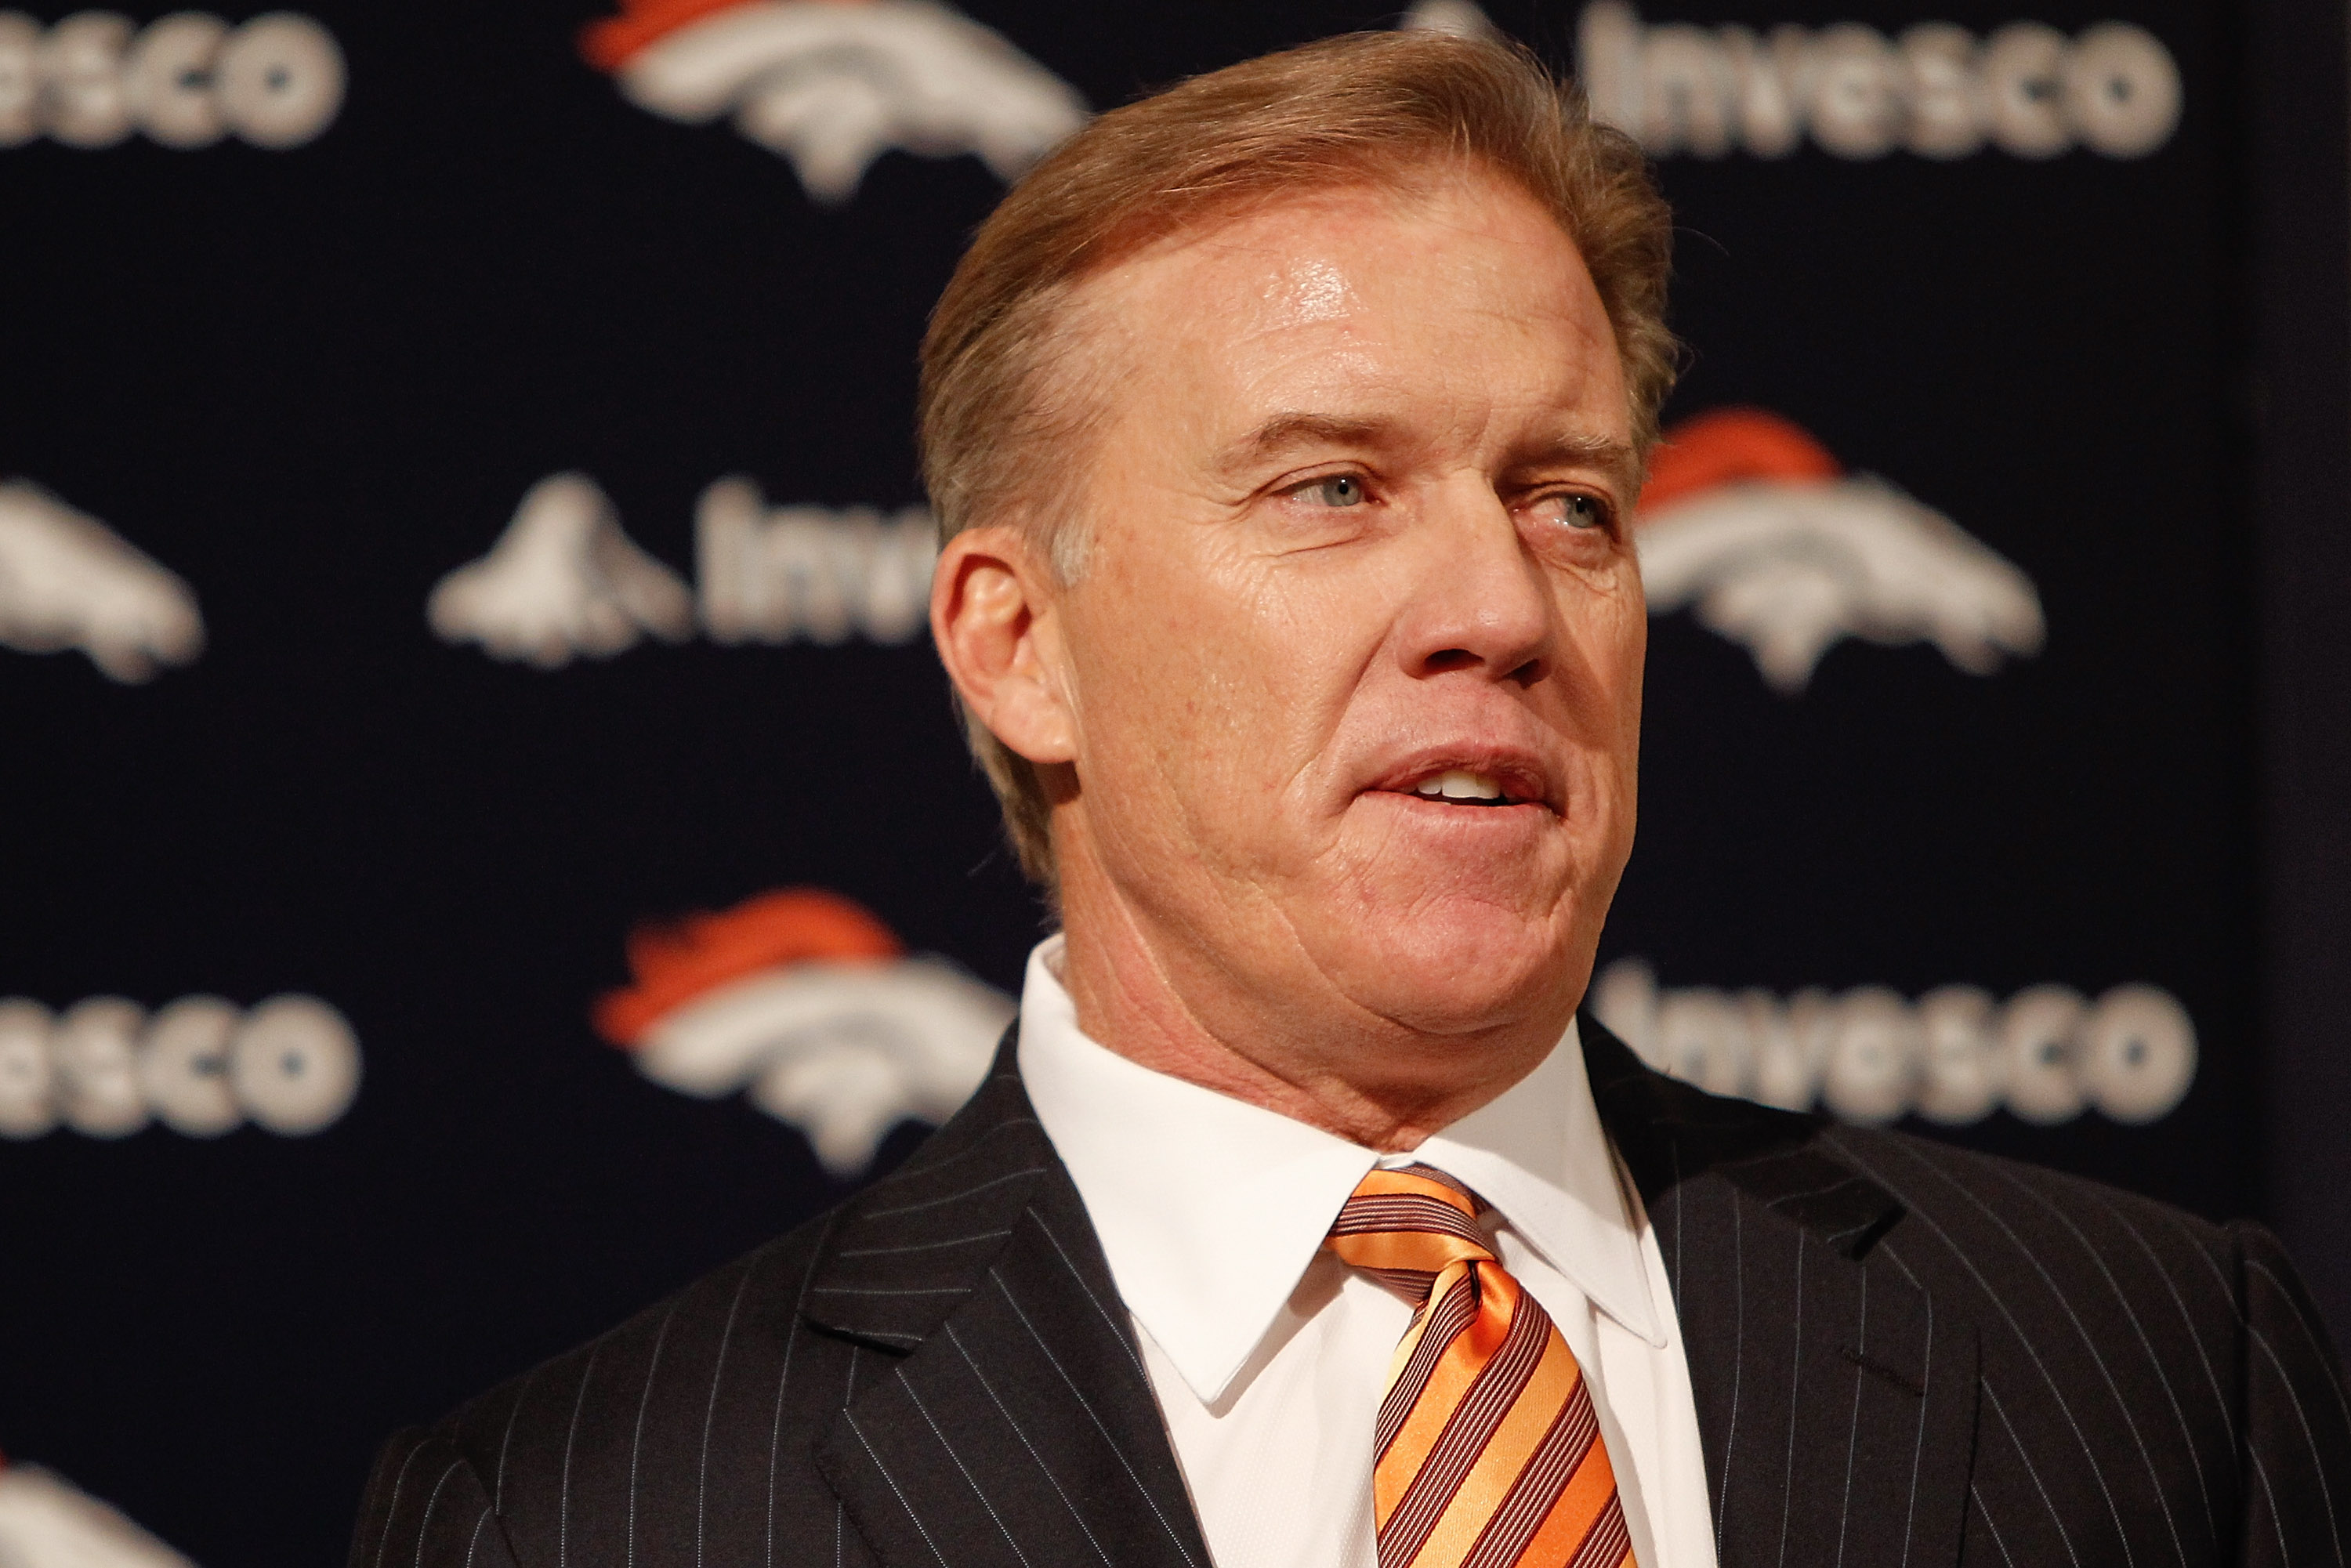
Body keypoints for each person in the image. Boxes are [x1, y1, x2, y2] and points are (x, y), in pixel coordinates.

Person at [352, 29, 2351, 1568]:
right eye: (1333, 487)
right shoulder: (596, 1511)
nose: (1498, 604)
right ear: (1016, 642)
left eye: (1569, 500)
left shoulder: (2150, 1368)